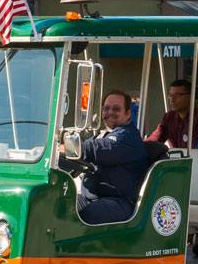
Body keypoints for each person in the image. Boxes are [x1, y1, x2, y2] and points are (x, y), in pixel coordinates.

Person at [61, 90, 151, 224]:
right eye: (106, 108)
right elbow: (87, 152)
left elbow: (94, 150)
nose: (110, 112)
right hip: (91, 197)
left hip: (119, 201)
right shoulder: (102, 134)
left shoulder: (127, 136)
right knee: (59, 207)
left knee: (86, 217)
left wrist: (57, 149)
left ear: (128, 114)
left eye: (116, 109)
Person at [148, 77, 198, 149]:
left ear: (190, 97)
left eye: (177, 95)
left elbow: (196, 149)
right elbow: (156, 138)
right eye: (170, 95)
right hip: (175, 158)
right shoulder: (169, 117)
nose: (172, 99)